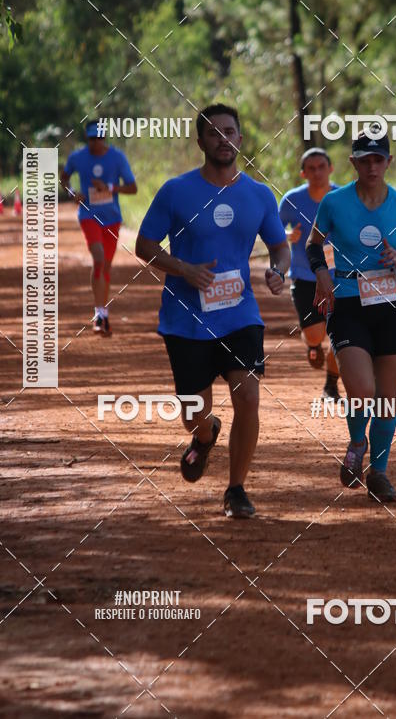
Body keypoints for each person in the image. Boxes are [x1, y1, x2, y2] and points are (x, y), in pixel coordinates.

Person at [135, 103, 289, 519]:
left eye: (230, 131)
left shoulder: (258, 194)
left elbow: (279, 246)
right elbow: (145, 246)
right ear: (200, 141)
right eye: (214, 132)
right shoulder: (175, 191)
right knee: (194, 412)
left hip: (240, 315)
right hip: (185, 319)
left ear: (240, 139)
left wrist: (278, 271)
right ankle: (204, 438)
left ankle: (236, 489)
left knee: (249, 398)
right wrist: (183, 268)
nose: (223, 138)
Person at [306, 131, 396, 502]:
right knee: (362, 390)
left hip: (393, 306)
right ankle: (358, 443)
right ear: (353, 163)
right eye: (364, 160)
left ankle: (380, 473)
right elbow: (313, 244)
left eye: (379, 159)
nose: (372, 166)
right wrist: (323, 273)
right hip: (348, 303)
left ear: (389, 162)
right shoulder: (334, 202)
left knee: (387, 398)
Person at [60, 120, 137, 336]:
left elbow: (133, 188)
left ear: (106, 138)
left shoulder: (118, 158)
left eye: (100, 138)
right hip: (88, 215)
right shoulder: (77, 157)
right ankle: (98, 314)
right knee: (99, 259)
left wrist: (110, 187)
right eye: (92, 138)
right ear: (87, 138)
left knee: (106, 267)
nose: (96, 142)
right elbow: (64, 179)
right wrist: (72, 193)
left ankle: (103, 313)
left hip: (112, 218)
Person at [279, 148, 340, 400]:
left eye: (321, 167)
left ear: (330, 169)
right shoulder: (292, 200)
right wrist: (285, 236)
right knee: (316, 332)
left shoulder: (343, 197)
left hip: (341, 277)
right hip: (305, 277)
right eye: (311, 169)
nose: (317, 173)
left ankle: (331, 385)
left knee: (341, 333)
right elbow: (273, 230)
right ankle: (314, 345)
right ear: (303, 173)